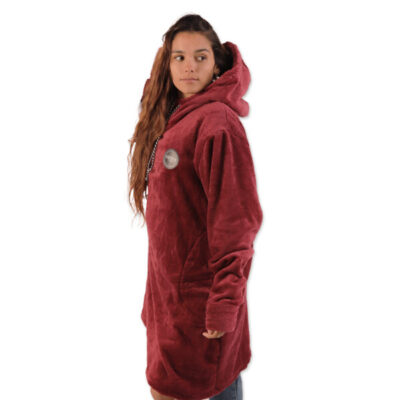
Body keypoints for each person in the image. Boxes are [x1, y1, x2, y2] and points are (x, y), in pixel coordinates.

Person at [127, 13, 263, 400]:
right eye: (180, 58)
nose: (190, 67)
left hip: (201, 307)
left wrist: (223, 304)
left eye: (200, 57)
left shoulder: (217, 124)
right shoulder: (172, 117)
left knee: (203, 386)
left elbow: (236, 223)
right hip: (170, 301)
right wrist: (155, 302)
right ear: (167, 63)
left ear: (217, 64)